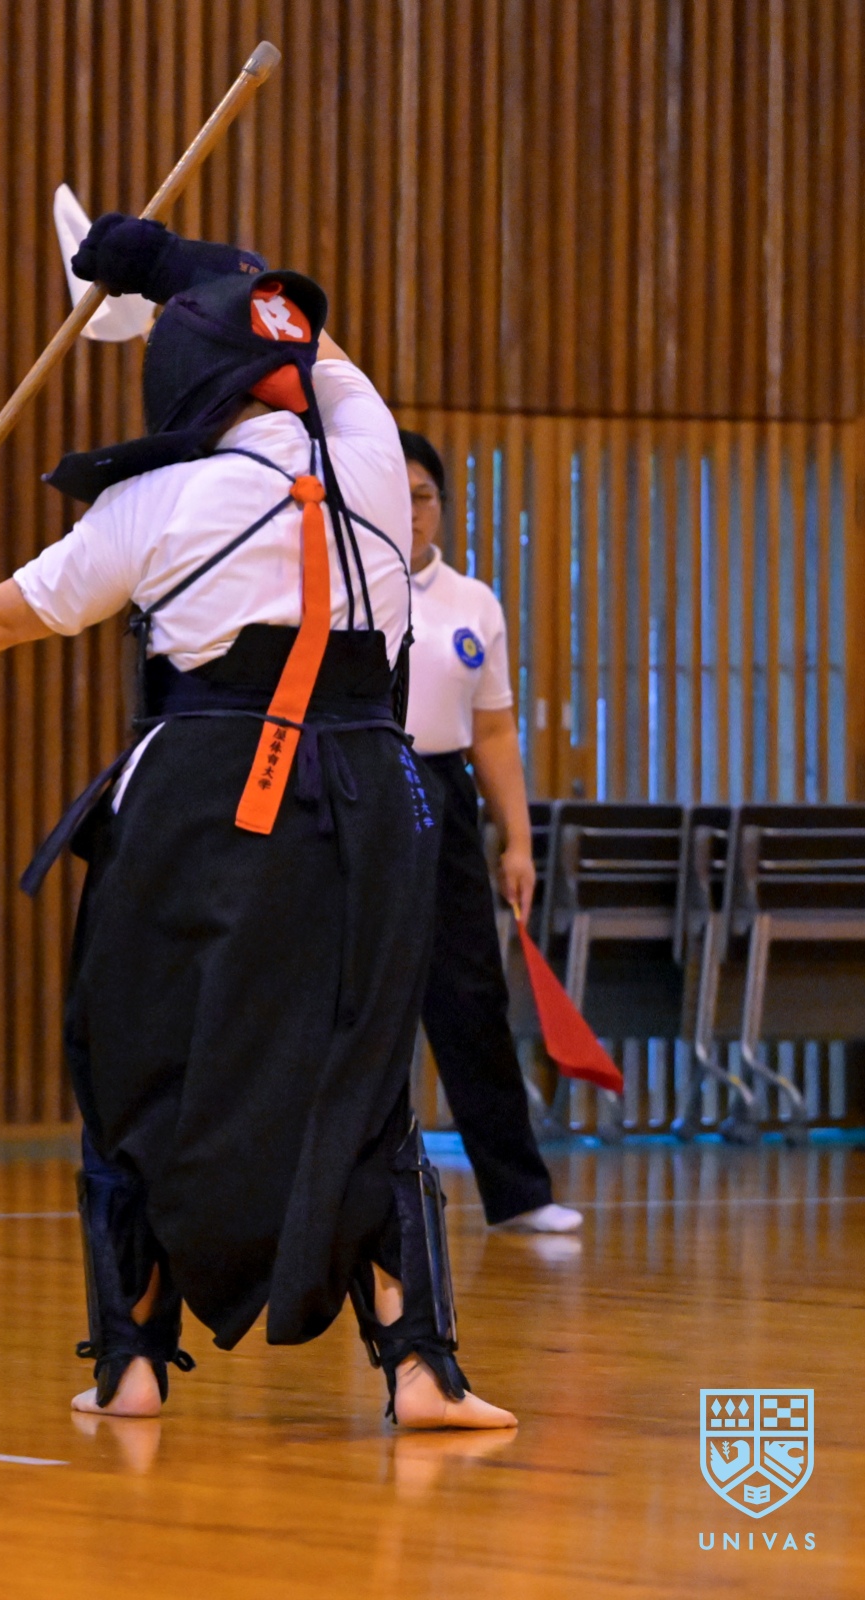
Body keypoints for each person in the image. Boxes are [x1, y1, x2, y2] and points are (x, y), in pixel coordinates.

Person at [0, 216, 513, 1430]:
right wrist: (165, 262)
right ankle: (420, 1364)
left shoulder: (158, 500)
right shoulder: (371, 451)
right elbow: (306, 336)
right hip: (374, 798)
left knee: (136, 1060)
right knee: (361, 1071)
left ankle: (132, 1360)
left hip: (204, 797)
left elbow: (4, 615)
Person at [398, 430, 581, 1235]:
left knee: (470, 992)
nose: (408, 511)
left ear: (440, 506)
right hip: (354, 788)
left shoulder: (472, 600)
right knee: (346, 1001)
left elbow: (495, 731)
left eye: (421, 496)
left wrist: (517, 840)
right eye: (392, 494)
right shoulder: (337, 588)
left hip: (442, 792)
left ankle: (518, 1193)